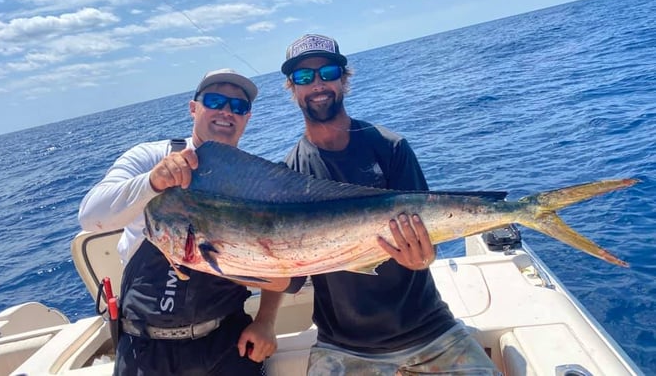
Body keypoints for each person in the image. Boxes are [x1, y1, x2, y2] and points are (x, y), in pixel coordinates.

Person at [280, 34, 501, 375]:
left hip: (430, 330)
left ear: (344, 78)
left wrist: (423, 258)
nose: (318, 84)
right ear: (292, 88)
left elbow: (427, 245)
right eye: (304, 77)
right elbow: (292, 280)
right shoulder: (290, 175)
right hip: (343, 346)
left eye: (327, 72)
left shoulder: (391, 147)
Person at [79, 68, 287, 376]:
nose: (226, 111)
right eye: (215, 100)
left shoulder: (254, 183)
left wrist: (266, 320)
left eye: (238, 106)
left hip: (225, 346)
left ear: (247, 118)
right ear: (193, 107)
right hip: (142, 351)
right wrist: (153, 182)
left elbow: (280, 264)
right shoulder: (149, 157)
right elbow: (90, 216)